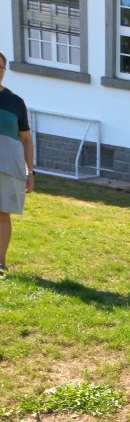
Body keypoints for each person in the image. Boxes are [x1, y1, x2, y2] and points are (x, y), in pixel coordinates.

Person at [0, 51, 35, 277]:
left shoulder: (15, 102)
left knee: (2, 214)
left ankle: (0, 262)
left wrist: (30, 171)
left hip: (8, 167)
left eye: (0, 68)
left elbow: (26, 139)